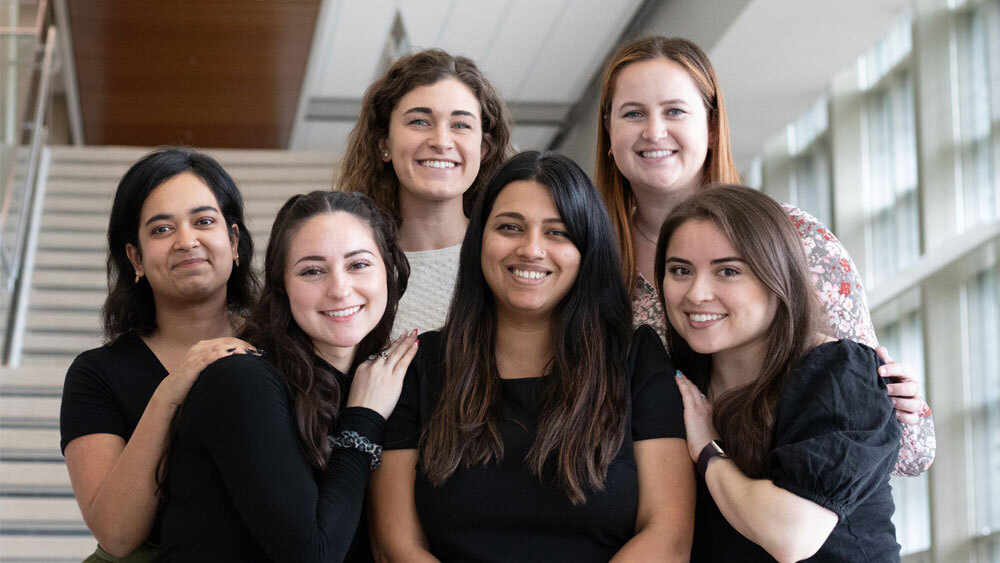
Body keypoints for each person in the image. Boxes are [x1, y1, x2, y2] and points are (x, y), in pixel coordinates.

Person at [594, 35, 934, 476]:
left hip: (788, 496)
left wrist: (902, 406)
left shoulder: (797, 239)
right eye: (633, 113)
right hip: (645, 507)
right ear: (608, 132)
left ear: (711, 127)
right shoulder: (589, 263)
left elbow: (901, 446)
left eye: (674, 111)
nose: (654, 131)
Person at [370, 151, 694, 562]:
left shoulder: (636, 359)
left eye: (557, 232)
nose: (532, 249)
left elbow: (668, 535)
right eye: (510, 227)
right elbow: (396, 545)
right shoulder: (420, 366)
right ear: (479, 239)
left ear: (588, 248)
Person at [156, 190, 417, 562]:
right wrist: (364, 418)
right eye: (312, 271)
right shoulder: (241, 381)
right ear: (282, 285)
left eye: (358, 264)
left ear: (387, 272)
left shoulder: (379, 381)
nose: (340, 289)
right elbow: (313, 555)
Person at [657, 185, 901, 561]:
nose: (696, 293)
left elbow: (790, 535)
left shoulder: (839, 373)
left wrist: (708, 449)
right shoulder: (675, 384)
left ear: (778, 276)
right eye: (680, 270)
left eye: (728, 271)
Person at [60, 148, 260, 560]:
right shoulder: (96, 374)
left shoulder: (283, 346)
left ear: (233, 240)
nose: (187, 241)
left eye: (204, 221)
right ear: (135, 257)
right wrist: (170, 392)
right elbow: (117, 534)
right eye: (162, 229)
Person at [338, 48, 512, 336]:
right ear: (384, 142)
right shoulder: (349, 266)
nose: (441, 141)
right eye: (420, 121)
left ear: (483, 148)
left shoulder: (512, 256)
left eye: (460, 125)